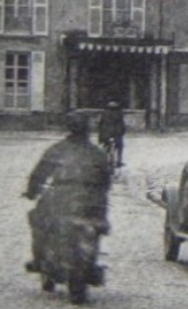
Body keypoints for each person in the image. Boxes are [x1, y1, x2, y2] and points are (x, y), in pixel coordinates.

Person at [24, 111, 113, 271]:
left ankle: (39, 258)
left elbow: (40, 173)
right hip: (91, 197)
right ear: (88, 129)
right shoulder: (97, 153)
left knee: (39, 219)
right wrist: (101, 194)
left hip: (62, 194)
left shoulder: (57, 149)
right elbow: (106, 179)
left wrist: (32, 191)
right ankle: (91, 259)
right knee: (97, 222)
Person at [98, 100, 127, 169]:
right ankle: (119, 161)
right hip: (117, 134)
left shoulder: (104, 113)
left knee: (106, 147)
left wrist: (101, 136)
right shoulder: (119, 113)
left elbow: (101, 125)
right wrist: (122, 132)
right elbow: (122, 124)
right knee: (119, 147)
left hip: (106, 134)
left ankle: (106, 160)